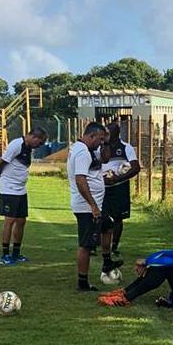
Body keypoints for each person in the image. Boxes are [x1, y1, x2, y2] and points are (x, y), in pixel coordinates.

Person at [68, 122, 119, 292]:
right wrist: (93, 206)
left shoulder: (88, 148)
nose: (101, 143)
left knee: (108, 225)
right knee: (86, 245)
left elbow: (104, 158)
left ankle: (107, 261)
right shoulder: (82, 152)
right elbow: (80, 180)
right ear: (92, 136)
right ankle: (83, 282)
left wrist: (106, 142)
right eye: (100, 139)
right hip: (86, 207)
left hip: (93, 205)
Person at [0, 126, 48, 266]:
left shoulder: (28, 148)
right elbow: (1, 162)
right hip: (9, 188)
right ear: (34, 137)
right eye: (40, 143)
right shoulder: (16, 145)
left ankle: (16, 253)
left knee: (21, 221)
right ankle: (5, 255)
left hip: (20, 189)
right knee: (9, 221)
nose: (39, 146)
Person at [100, 121, 141, 257]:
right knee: (100, 216)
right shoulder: (100, 147)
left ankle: (115, 245)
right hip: (102, 187)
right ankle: (98, 244)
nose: (105, 136)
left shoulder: (126, 147)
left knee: (118, 218)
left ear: (115, 134)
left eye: (107, 133)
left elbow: (135, 168)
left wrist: (118, 178)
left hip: (119, 187)